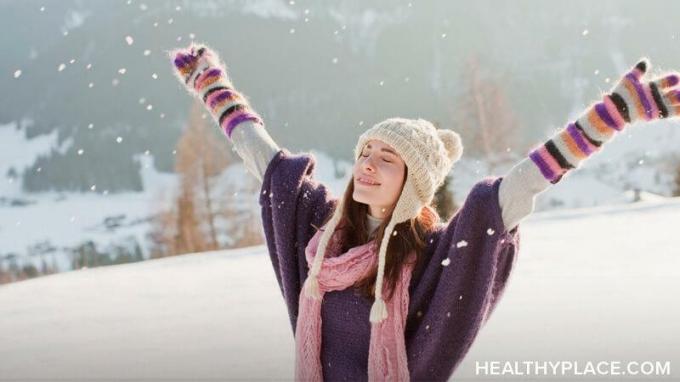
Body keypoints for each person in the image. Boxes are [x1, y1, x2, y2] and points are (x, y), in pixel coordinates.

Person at [170, 44, 680, 381]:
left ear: (413, 184)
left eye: (385, 159)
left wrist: (610, 117)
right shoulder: (322, 235)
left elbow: (517, 188)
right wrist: (214, 89)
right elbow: (268, 162)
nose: (366, 166)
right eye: (365, 153)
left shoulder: (434, 258)